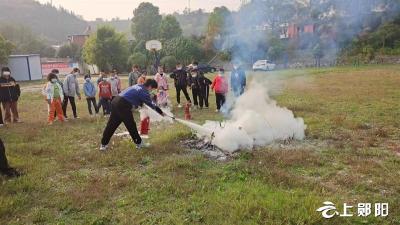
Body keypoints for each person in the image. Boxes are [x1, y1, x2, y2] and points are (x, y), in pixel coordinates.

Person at [100, 79, 164, 151]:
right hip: (123, 104)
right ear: (149, 86)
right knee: (131, 125)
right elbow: (152, 104)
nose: (151, 90)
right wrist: (161, 112)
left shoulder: (138, 85)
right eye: (152, 89)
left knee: (112, 124)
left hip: (115, 101)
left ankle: (103, 144)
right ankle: (139, 144)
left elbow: (136, 98)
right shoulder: (144, 92)